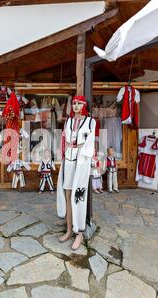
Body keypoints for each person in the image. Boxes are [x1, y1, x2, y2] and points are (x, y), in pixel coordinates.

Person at [57, 96, 96, 250]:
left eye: (79, 103)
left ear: (84, 105)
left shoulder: (91, 121)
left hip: (81, 161)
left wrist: (82, 153)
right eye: (74, 103)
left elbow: (90, 142)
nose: (76, 105)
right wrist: (65, 153)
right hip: (69, 159)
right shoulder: (69, 121)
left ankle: (78, 232)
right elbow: (65, 140)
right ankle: (68, 230)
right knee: (67, 193)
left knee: (78, 195)